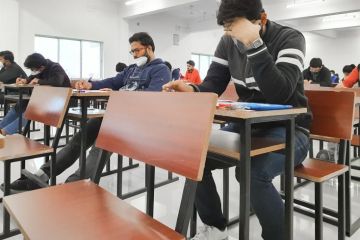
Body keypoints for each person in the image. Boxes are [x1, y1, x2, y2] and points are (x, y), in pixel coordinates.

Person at [163, 0, 312, 239]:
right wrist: (190, 90)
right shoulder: (227, 41)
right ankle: (214, 228)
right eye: (227, 28)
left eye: (235, 27)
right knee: (193, 156)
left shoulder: (290, 38)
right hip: (247, 127)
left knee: (250, 172)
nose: (231, 35)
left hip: (291, 129)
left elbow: (280, 93)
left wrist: (253, 43)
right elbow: (213, 84)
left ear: (261, 19)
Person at [10, 32, 171, 191]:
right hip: (114, 114)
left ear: (149, 48)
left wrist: (119, 94)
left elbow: (152, 98)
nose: (134, 55)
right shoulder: (131, 69)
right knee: (78, 140)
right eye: (132, 51)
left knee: (100, 146)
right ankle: (42, 174)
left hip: (135, 120)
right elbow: (113, 81)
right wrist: (91, 85)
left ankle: (73, 186)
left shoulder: (161, 70)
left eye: (137, 50)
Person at [0, 53, 71, 135]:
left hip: (60, 99)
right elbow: (31, 77)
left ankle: (4, 132)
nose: (32, 71)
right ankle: (1, 127)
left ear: (41, 67)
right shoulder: (40, 67)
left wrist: (39, 81)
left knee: (31, 110)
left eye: (33, 69)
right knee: (20, 105)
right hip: (44, 97)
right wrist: (25, 81)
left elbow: (57, 82)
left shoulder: (55, 67)